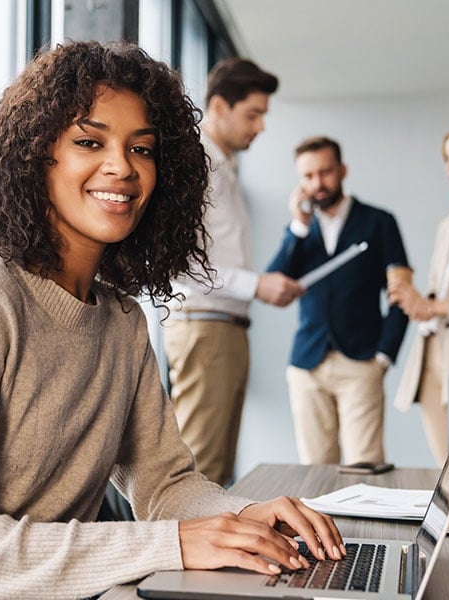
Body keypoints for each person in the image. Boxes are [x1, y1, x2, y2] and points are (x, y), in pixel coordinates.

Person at [0, 41, 344, 600]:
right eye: (89, 142)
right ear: (37, 155)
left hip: (23, 585)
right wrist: (173, 544)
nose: (122, 166)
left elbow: (164, 484)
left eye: (141, 149)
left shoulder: (121, 320)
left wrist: (245, 516)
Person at [165, 58, 303, 486]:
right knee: (200, 470)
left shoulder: (223, 166)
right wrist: (256, 284)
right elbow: (181, 263)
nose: (260, 126)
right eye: (253, 114)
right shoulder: (199, 165)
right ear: (220, 107)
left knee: (217, 471)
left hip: (224, 327)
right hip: (206, 327)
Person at [266, 136, 409, 467]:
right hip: (307, 364)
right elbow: (273, 285)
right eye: (308, 176)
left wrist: (384, 356)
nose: (318, 183)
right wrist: (297, 228)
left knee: (365, 467)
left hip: (361, 361)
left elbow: (401, 294)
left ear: (342, 170)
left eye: (325, 172)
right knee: (314, 471)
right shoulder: (301, 231)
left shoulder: (378, 222)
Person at [389, 124, 449, 466]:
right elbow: (438, 294)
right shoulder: (448, 225)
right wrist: (415, 301)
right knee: (446, 467)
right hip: (429, 358)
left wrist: (431, 306)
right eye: (447, 159)